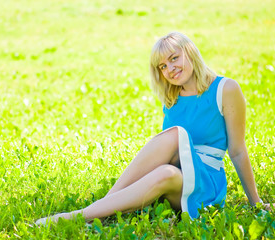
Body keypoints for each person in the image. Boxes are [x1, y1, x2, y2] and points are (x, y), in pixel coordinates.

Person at [35, 31, 271, 225]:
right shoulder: (172, 97)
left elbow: (238, 151)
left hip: (206, 183)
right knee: (165, 171)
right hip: (177, 177)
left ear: (189, 51)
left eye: (174, 58)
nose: (170, 69)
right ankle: (100, 209)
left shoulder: (226, 89)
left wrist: (256, 202)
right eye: (162, 66)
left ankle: (78, 216)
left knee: (175, 135)